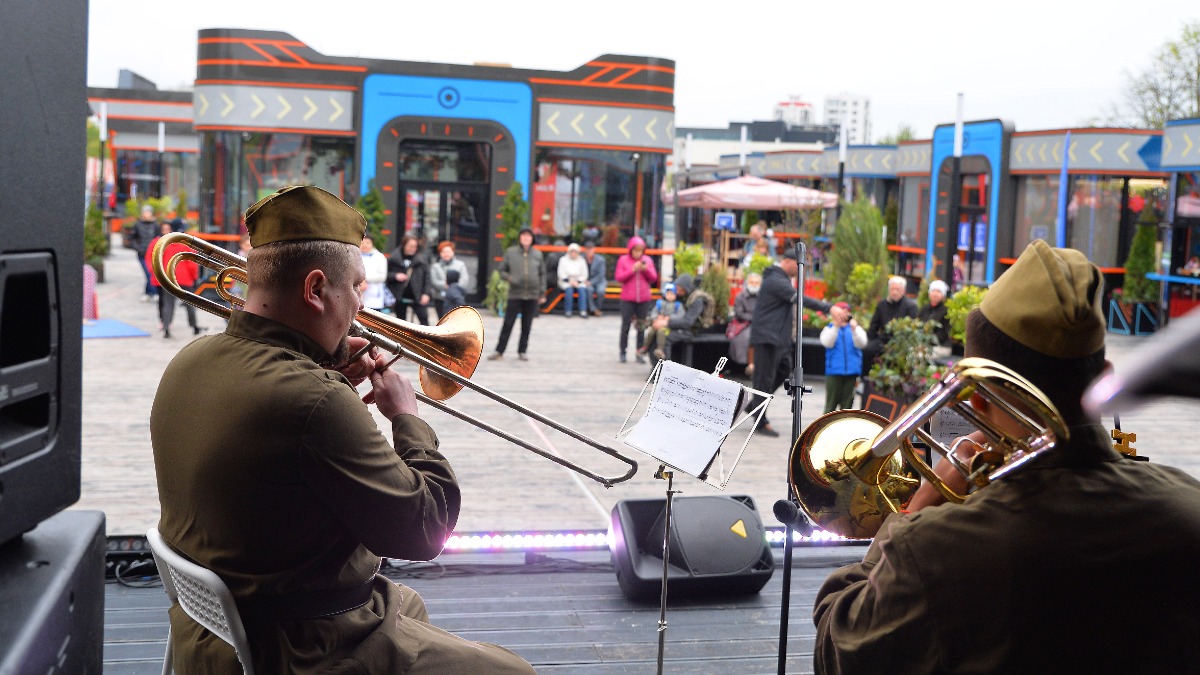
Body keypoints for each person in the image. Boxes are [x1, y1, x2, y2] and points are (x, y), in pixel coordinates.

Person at [151, 185, 534, 674]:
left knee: (406, 604)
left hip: (211, 632)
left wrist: (327, 373)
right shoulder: (315, 399)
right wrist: (406, 418)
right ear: (314, 289)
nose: (362, 306)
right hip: (301, 647)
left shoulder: (191, 359)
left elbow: (281, 448)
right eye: (356, 287)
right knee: (513, 672)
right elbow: (426, 531)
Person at [812, 240, 1200, 673]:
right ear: (1105, 379)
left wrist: (911, 513)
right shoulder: (1189, 508)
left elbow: (839, 650)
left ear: (974, 399)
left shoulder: (929, 548)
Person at [742, 250, 800, 437]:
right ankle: (760, 421)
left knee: (784, 371)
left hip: (778, 339)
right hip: (767, 338)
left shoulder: (780, 279)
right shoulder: (776, 280)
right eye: (798, 264)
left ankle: (754, 405)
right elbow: (798, 298)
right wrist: (828, 308)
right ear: (788, 262)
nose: (800, 268)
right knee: (763, 380)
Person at [488, 227, 545, 361]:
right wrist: (511, 278)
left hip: (532, 294)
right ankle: (499, 350)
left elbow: (542, 274)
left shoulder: (538, 254)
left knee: (527, 324)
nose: (526, 238)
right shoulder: (511, 252)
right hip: (515, 293)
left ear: (532, 239)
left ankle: (522, 351)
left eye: (528, 236)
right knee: (508, 323)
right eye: (523, 235)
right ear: (520, 238)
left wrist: (542, 293)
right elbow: (501, 271)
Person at [145, 222, 203, 338]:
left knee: (168, 304)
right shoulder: (187, 245)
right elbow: (192, 264)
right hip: (185, 278)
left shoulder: (163, 243)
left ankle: (166, 328)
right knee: (190, 304)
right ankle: (194, 326)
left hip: (169, 277)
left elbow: (153, 259)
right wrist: (195, 278)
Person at [653, 273, 718, 364]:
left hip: (694, 331)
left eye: (679, 288)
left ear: (685, 287)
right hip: (686, 328)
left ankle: (665, 368)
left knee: (667, 337)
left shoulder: (697, 301)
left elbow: (688, 322)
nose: (677, 290)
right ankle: (657, 367)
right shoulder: (686, 296)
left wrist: (667, 322)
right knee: (657, 333)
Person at [615, 235, 658, 363]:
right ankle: (623, 351)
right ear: (631, 250)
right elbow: (619, 278)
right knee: (625, 326)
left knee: (641, 327)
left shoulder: (648, 260)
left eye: (640, 250)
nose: (638, 253)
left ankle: (639, 351)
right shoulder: (623, 260)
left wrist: (645, 270)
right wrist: (632, 270)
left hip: (643, 298)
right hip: (627, 298)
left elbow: (654, 278)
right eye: (635, 250)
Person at [820, 302, 867, 413]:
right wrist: (836, 326)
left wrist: (854, 329)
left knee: (847, 405)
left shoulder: (855, 329)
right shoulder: (830, 328)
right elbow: (827, 343)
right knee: (830, 404)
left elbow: (862, 343)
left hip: (851, 372)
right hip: (834, 372)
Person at [863, 276, 918, 368]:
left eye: (897, 289)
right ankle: (867, 379)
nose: (894, 292)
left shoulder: (910, 306)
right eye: (892, 289)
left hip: (901, 342)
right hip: (883, 340)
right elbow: (874, 326)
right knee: (867, 350)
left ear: (903, 291)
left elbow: (913, 330)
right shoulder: (882, 305)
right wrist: (870, 341)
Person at [386, 234, 431, 325]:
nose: (413, 249)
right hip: (399, 294)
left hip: (417, 294)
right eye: (410, 246)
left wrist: (426, 293)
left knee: (424, 319)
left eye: (415, 246)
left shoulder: (421, 260)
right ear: (404, 245)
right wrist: (395, 276)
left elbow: (427, 277)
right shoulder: (394, 259)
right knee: (401, 322)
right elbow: (386, 275)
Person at [637, 282, 682, 361]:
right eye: (668, 294)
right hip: (657, 323)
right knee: (651, 332)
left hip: (668, 326)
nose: (670, 296)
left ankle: (660, 349)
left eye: (672, 294)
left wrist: (669, 318)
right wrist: (656, 318)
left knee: (661, 332)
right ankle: (645, 347)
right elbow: (654, 312)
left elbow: (680, 315)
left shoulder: (678, 305)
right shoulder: (660, 303)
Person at [727, 272, 761, 371]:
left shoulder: (763, 296)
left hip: (760, 324)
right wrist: (754, 318)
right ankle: (749, 365)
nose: (754, 284)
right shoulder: (740, 296)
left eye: (756, 283)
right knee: (746, 337)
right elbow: (739, 314)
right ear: (747, 283)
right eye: (752, 282)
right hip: (743, 324)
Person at [428, 241, 470, 320]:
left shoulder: (460, 265)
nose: (446, 254)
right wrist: (445, 285)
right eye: (443, 252)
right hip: (440, 298)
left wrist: (453, 287)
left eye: (448, 252)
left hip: (456, 297)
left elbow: (464, 280)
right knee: (442, 320)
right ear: (440, 253)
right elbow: (434, 281)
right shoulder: (435, 266)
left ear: (453, 252)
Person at [129, 204, 160, 302]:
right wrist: (138, 248)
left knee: (152, 273)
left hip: (153, 253)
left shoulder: (155, 225)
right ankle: (154, 292)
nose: (146, 214)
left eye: (148, 212)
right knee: (148, 273)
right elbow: (132, 238)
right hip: (142, 254)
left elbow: (158, 237)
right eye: (145, 212)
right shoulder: (137, 224)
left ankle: (148, 293)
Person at [557, 242, 590, 318]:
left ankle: (583, 311)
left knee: (582, 289)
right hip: (566, 281)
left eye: (575, 252)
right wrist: (569, 281)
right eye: (572, 252)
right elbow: (560, 273)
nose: (573, 254)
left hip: (578, 281)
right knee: (569, 290)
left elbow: (585, 274)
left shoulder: (582, 260)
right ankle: (568, 311)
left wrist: (577, 281)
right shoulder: (563, 260)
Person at [917, 279, 951, 348]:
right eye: (933, 291)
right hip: (921, 344)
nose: (935, 294)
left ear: (943, 295)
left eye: (938, 291)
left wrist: (929, 342)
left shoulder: (946, 311)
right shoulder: (924, 308)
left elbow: (944, 334)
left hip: (940, 346)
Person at [359, 236, 389, 313]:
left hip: (374, 295)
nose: (365, 245)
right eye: (363, 243)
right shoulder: (356, 255)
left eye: (368, 243)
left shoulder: (379, 257)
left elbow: (382, 276)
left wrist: (365, 278)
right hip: (359, 292)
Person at [584, 240, 607, 316]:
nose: (589, 251)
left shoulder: (600, 260)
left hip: (599, 280)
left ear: (594, 249)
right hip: (587, 281)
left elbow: (601, 275)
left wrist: (591, 282)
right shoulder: (582, 258)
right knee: (589, 289)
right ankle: (592, 309)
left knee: (600, 291)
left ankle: (598, 308)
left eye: (591, 249)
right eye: (587, 249)